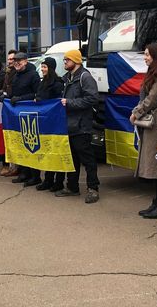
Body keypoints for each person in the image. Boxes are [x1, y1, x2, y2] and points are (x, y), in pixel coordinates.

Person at [129, 43, 157, 218]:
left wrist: (136, 114)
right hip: (152, 126)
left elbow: (152, 99)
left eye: (147, 55)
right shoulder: (154, 74)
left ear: (156, 56)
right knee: (154, 166)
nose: (145, 58)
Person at [57, 50, 100, 204]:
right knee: (72, 158)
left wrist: (70, 103)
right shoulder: (69, 78)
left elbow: (92, 99)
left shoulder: (85, 77)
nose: (65, 63)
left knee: (87, 158)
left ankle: (93, 188)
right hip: (70, 124)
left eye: (67, 60)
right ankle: (72, 186)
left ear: (75, 60)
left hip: (81, 125)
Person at [6, 52, 41, 186]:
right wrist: (5, 96)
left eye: (19, 60)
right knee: (21, 145)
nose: (16, 63)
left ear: (26, 61)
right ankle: (24, 173)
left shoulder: (33, 75)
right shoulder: (15, 75)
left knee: (31, 145)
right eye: (15, 61)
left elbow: (36, 94)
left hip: (30, 115)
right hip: (17, 114)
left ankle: (35, 176)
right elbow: (13, 92)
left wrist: (21, 99)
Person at [34, 57, 65, 192]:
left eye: (45, 67)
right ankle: (48, 179)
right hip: (44, 122)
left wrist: (43, 100)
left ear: (51, 68)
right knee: (46, 151)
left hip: (55, 122)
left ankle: (58, 182)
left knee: (56, 151)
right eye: (42, 67)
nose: (42, 69)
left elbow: (55, 101)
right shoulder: (43, 82)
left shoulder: (58, 83)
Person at [0, 49, 18, 177]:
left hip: (17, 106)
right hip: (9, 106)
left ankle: (17, 167)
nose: (10, 61)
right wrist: (2, 92)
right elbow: (6, 87)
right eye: (9, 59)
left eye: (13, 59)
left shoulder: (19, 73)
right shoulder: (7, 72)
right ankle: (11, 165)